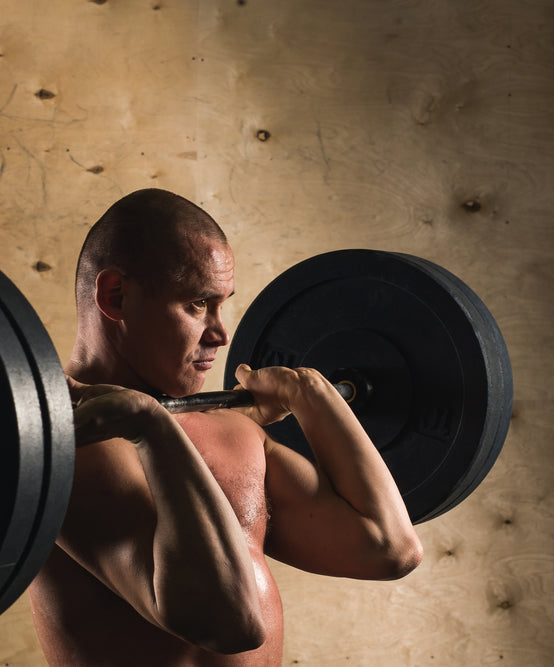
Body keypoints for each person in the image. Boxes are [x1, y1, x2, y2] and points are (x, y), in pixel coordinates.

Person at [28, 189, 423, 665]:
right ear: (115, 296)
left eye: (223, 304)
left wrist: (313, 397)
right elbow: (226, 623)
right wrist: (152, 427)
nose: (220, 334)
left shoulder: (233, 431)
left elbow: (387, 549)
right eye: (198, 304)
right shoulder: (64, 446)